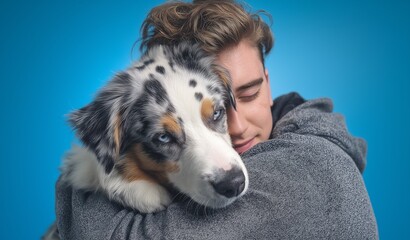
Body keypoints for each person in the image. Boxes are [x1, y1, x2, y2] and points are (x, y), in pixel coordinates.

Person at [46, 0, 378, 239]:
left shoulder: (309, 167)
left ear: (268, 78)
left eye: (246, 95)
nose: (235, 129)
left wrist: (80, 185)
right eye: (166, 136)